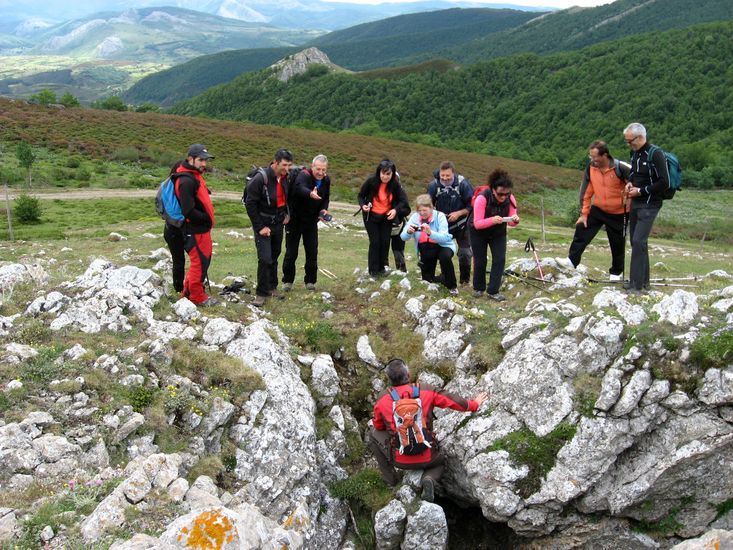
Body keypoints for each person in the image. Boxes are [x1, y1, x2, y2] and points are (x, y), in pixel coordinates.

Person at [368, 358, 488, 501]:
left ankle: (391, 480)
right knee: (441, 462)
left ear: (389, 379)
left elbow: (379, 426)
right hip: (428, 457)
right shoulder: (426, 390)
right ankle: (429, 478)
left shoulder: (382, 399)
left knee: (372, 433)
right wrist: (474, 404)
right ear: (408, 374)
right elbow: (453, 401)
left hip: (400, 460)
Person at [563, 140, 630, 281]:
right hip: (599, 208)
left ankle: (616, 273)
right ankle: (572, 261)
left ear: (605, 155)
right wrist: (584, 214)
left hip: (619, 212)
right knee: (582, 228)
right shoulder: (591, 168)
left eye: (595, 157)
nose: (592, 160)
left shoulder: (621, 168)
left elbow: (637, 185)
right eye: (591, 157)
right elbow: (586, 192)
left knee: (617, 243)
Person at [623, 122, 669, 294]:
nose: (629, 144)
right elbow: (634, 173)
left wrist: (641, 191)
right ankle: (643, 281)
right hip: (636, 202)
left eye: (630, 141)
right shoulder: (634, 153)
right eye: (627, 141)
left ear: (641, 137)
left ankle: (636, 285)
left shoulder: (656, 154)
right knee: (637, 241)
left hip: (650, 203)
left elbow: (664, 182)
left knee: (638, 241)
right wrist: (629, 183)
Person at [245, 148, 293, 307]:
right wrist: (260, 227)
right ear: (275, 162)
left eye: (289, 165)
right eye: (284, 165)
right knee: (265, 258)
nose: (287, 169)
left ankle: (272, 287)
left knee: (274, 255)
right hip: (263, 223)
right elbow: (250, 204)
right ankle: (261, 293)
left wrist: (287, 213)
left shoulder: (286, 178)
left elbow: (286, 198)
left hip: (278, 223)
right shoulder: (261, 179)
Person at [176, 144, 217, 307]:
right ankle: (197, 298)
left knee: (201, 263)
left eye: (205, 160)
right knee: (199, 264)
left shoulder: (194, 175)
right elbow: (188, 211)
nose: (204, 164)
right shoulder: (186, 180)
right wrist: (206, 219)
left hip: (200, 230)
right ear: (190, 159)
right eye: (200, 160)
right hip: (195, 231)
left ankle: (187, 293)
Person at [469, 168, 520, 301]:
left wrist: (515, 220)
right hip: (478, 232)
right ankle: (478, 288)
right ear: (493, 189)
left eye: (506, 194)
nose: (503, 197)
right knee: (480, 259)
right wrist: (492, 220)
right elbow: (477, 223)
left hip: (498, 232)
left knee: (499, 259)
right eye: (500, 194)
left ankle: (493, 291)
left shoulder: (510, 199)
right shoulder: (482, 198)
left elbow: (511, 221)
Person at [282, 154, 330, 291]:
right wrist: (310, 193)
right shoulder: (303, 175)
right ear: (312, 166)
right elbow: (299, 188)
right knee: (291, 252)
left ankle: (310, 281)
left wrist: (323, 210)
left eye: (323, 170)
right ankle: (287, 281)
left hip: (311, 221)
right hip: (295, 219)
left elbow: (326, 198)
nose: (320, 172)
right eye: (318, 169)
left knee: (312, 251)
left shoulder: (326, 180)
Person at [357, 159, 410, 277]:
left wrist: (395, 210)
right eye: (383, 173)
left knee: (385, 242)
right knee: (375, 242)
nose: (385, 176)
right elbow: (360, 196)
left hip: (386, 217)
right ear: (379, 172)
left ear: (392, 174)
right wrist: (363, 205)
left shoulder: (395, 185)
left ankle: (381, 269)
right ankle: (373, 271)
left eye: (388, 174)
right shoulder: (371, 181)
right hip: (371, 216)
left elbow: (403, 201)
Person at [427, 161, 474, 284]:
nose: (445, 178)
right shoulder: (433, 186)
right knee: (444, 253)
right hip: (443, 225)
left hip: (462, 224)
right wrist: (437, 215)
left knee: (465, 253)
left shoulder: (463, 185)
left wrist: (458, 213)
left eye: (448, 175)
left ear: (453, 173)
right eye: (442, 175)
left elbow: (472, 206)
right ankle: (445, 277)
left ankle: (464, 281)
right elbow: (428, 205)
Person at [401, 194, 458, 295]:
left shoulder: (440, 216)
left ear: (431, 208)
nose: (422, 213)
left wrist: (430, 233)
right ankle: (441, 278)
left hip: (443, 246)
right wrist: (408, 232)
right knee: (428, 280)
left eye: (425, 210)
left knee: (445, 257)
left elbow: (445, 237)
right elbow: (403, 237)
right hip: (426, 248)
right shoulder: (415, 217)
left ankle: (452, 286)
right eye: (419, 210)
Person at [163, 160, 186, 294]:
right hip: (181, 228)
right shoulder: (182, 186)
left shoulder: (166, 184)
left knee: (178, 260)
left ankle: (179, 288)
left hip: (169, 228)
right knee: (196, 259)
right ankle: (184, 288)